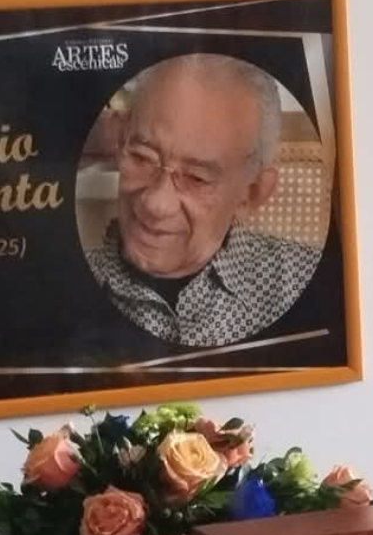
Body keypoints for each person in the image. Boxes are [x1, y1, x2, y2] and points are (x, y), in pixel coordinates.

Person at [85, 53, 323, 348]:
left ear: (251, 193)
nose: (156, 204)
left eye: (197, 178)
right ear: (121, 142)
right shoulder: (66, 284)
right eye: (142, 157)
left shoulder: (309, 286)